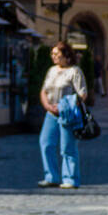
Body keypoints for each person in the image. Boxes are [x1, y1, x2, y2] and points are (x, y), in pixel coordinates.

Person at [38, 41, 88, 189]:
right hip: (51, 113)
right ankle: (51, 176)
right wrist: (47, 105)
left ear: (66, 56)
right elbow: (44, 90)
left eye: (57, 54)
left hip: (67, 113)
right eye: (52, 54)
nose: (53, 57)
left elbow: (82, 94)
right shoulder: (52, 71)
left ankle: (71, 179)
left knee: (68, 147)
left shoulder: (74, 71)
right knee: (46, 143)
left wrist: (66, 106)